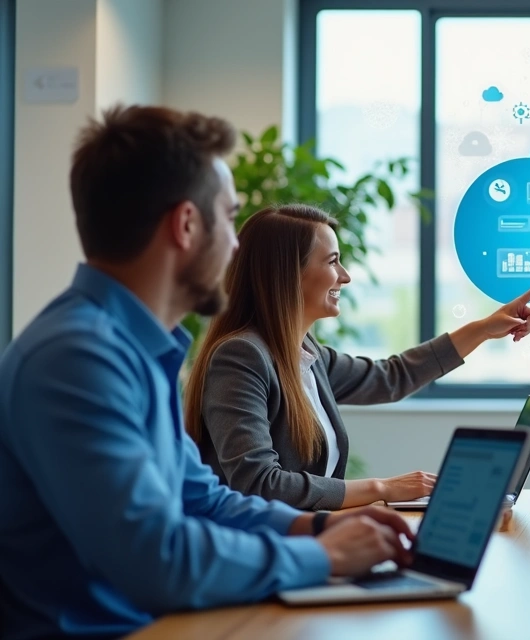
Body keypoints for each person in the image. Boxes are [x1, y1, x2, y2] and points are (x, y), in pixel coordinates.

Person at [0, 105, 417, 639]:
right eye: (229, 215)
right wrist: (319, 555)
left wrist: (315, 525)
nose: (237, 245)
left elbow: (200, 496)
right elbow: (157, 559)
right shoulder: (78, 359)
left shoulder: (129, 347)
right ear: (187, 225)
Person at [183, 204, 530, 511]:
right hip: (259, 551)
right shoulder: (241, 356)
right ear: (288, 274)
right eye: (333, 261)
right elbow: (259, 484)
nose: (346, 276)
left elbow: (392, 377)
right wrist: (382, 489)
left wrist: (483, 328)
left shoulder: (308, 357)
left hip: (306, 538)